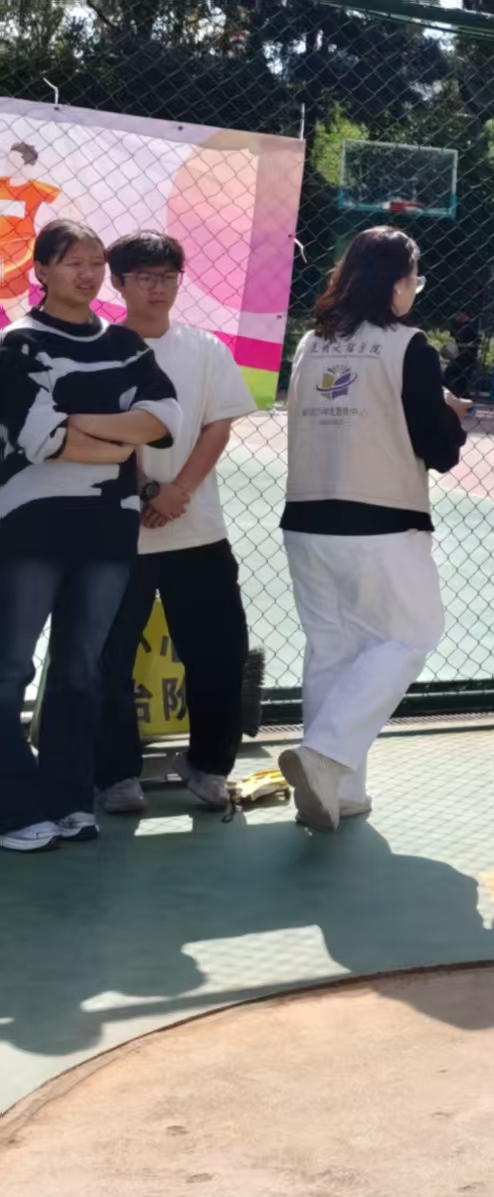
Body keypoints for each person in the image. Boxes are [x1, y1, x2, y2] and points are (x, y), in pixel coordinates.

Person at [277, 226, 469, 832]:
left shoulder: (312, 343)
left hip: (307, 518)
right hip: (381, 518)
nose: (415, 290)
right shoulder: (409, 345)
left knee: (331, 649)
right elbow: (439, 450)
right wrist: (451, 415)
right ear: (397, 283)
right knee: (412, 634)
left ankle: (339, 790)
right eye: (415, 279)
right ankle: (325, 754)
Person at [0, 220, 179, 852]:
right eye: (72, 262)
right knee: (9, 668)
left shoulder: (126, 344)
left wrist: (77, 423)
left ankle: (69, 800)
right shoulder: (18, 344)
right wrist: (116, 435)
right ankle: (13, 808)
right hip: (29, 529)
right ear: (42, 271)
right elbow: (39, 437)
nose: (88, 273)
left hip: (108, 529)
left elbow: (164, 418)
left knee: (81, 668)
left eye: (96, 262)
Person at [93, 231, 258, 814]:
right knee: (107, 656)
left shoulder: (205, 348)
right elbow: (99, 432)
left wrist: (179, 491)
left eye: (166, 276)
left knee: (220, 652)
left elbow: (218, 424)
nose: (157, 287)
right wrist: (146, 489)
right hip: (116, 530)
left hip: (197, 528)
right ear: (118, 283)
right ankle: (115, 774)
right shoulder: (98, 348)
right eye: (143, 276)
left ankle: (208, 765)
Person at [1, 141, 60, 325]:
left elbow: (71, 202)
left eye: (15, 162)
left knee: (16, 308)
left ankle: (32, 334)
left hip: (17, 253)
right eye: (8, 160)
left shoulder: (37, 188)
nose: (9, 165)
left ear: (28, 166)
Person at [444, 309, 480, 409]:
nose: (456, 316)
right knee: (449, 377)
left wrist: (461, 346)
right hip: (458, 358)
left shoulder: (470, 328)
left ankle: (467, 404)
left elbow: (475, 343)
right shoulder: (457, 326)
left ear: (464, 315)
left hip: (467, 359)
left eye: (459, 314)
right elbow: (452, 338)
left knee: (461, 382)